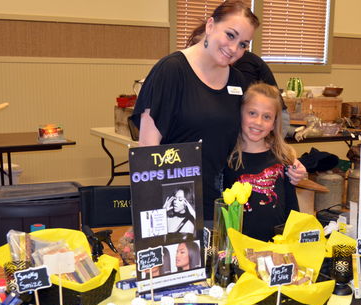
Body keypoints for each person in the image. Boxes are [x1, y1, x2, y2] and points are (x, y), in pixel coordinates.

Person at [131, 1, 306, 222]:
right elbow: (147, 149)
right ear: (211, 25)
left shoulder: (237, 81)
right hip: (175, 206)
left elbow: (252, 134)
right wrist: (152, 215)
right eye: (230, 35)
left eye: (243, 44)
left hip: (223, 206)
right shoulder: (171, 71)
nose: (234, 49)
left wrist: (291, 163)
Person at [223, 83, 299, 242]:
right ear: (239, 114)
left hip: (276, 247)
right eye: (252, 113)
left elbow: (292, 209)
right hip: (238, 249)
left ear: (273, 123)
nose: (258, 122)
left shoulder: (283, 157)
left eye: (266, 117)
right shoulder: (227, 158)